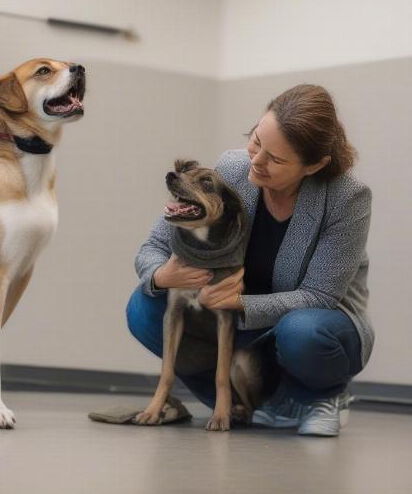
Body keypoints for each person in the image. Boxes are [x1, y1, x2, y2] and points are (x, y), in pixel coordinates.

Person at [127, 84, 373, 437]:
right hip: (240, 328)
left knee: (301, 331)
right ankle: (251, 405)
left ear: (313, 165)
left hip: (317, 323)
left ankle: (320, 396)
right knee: (144, 308)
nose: (255, 162)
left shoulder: (347, 198)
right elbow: (152, 246)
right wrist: (162, 276)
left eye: (275, 159)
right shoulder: (232, 167)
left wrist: (240, 303)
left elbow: (320, 296)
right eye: (256, 141)